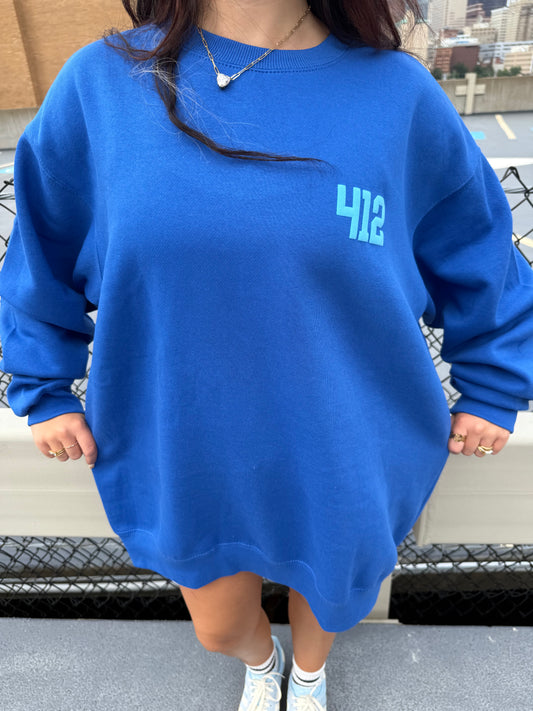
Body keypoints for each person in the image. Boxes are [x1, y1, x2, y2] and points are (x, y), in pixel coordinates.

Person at [1, 1, 532, 709]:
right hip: (180, 435)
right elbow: (42, 247)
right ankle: (262, 660)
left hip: (347, 433)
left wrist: (494, 383)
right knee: (219, 627)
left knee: (333, 592)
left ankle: (307, 675)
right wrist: (43, 384)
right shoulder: (100, 84)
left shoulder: (398, 94)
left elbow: (477, 248)